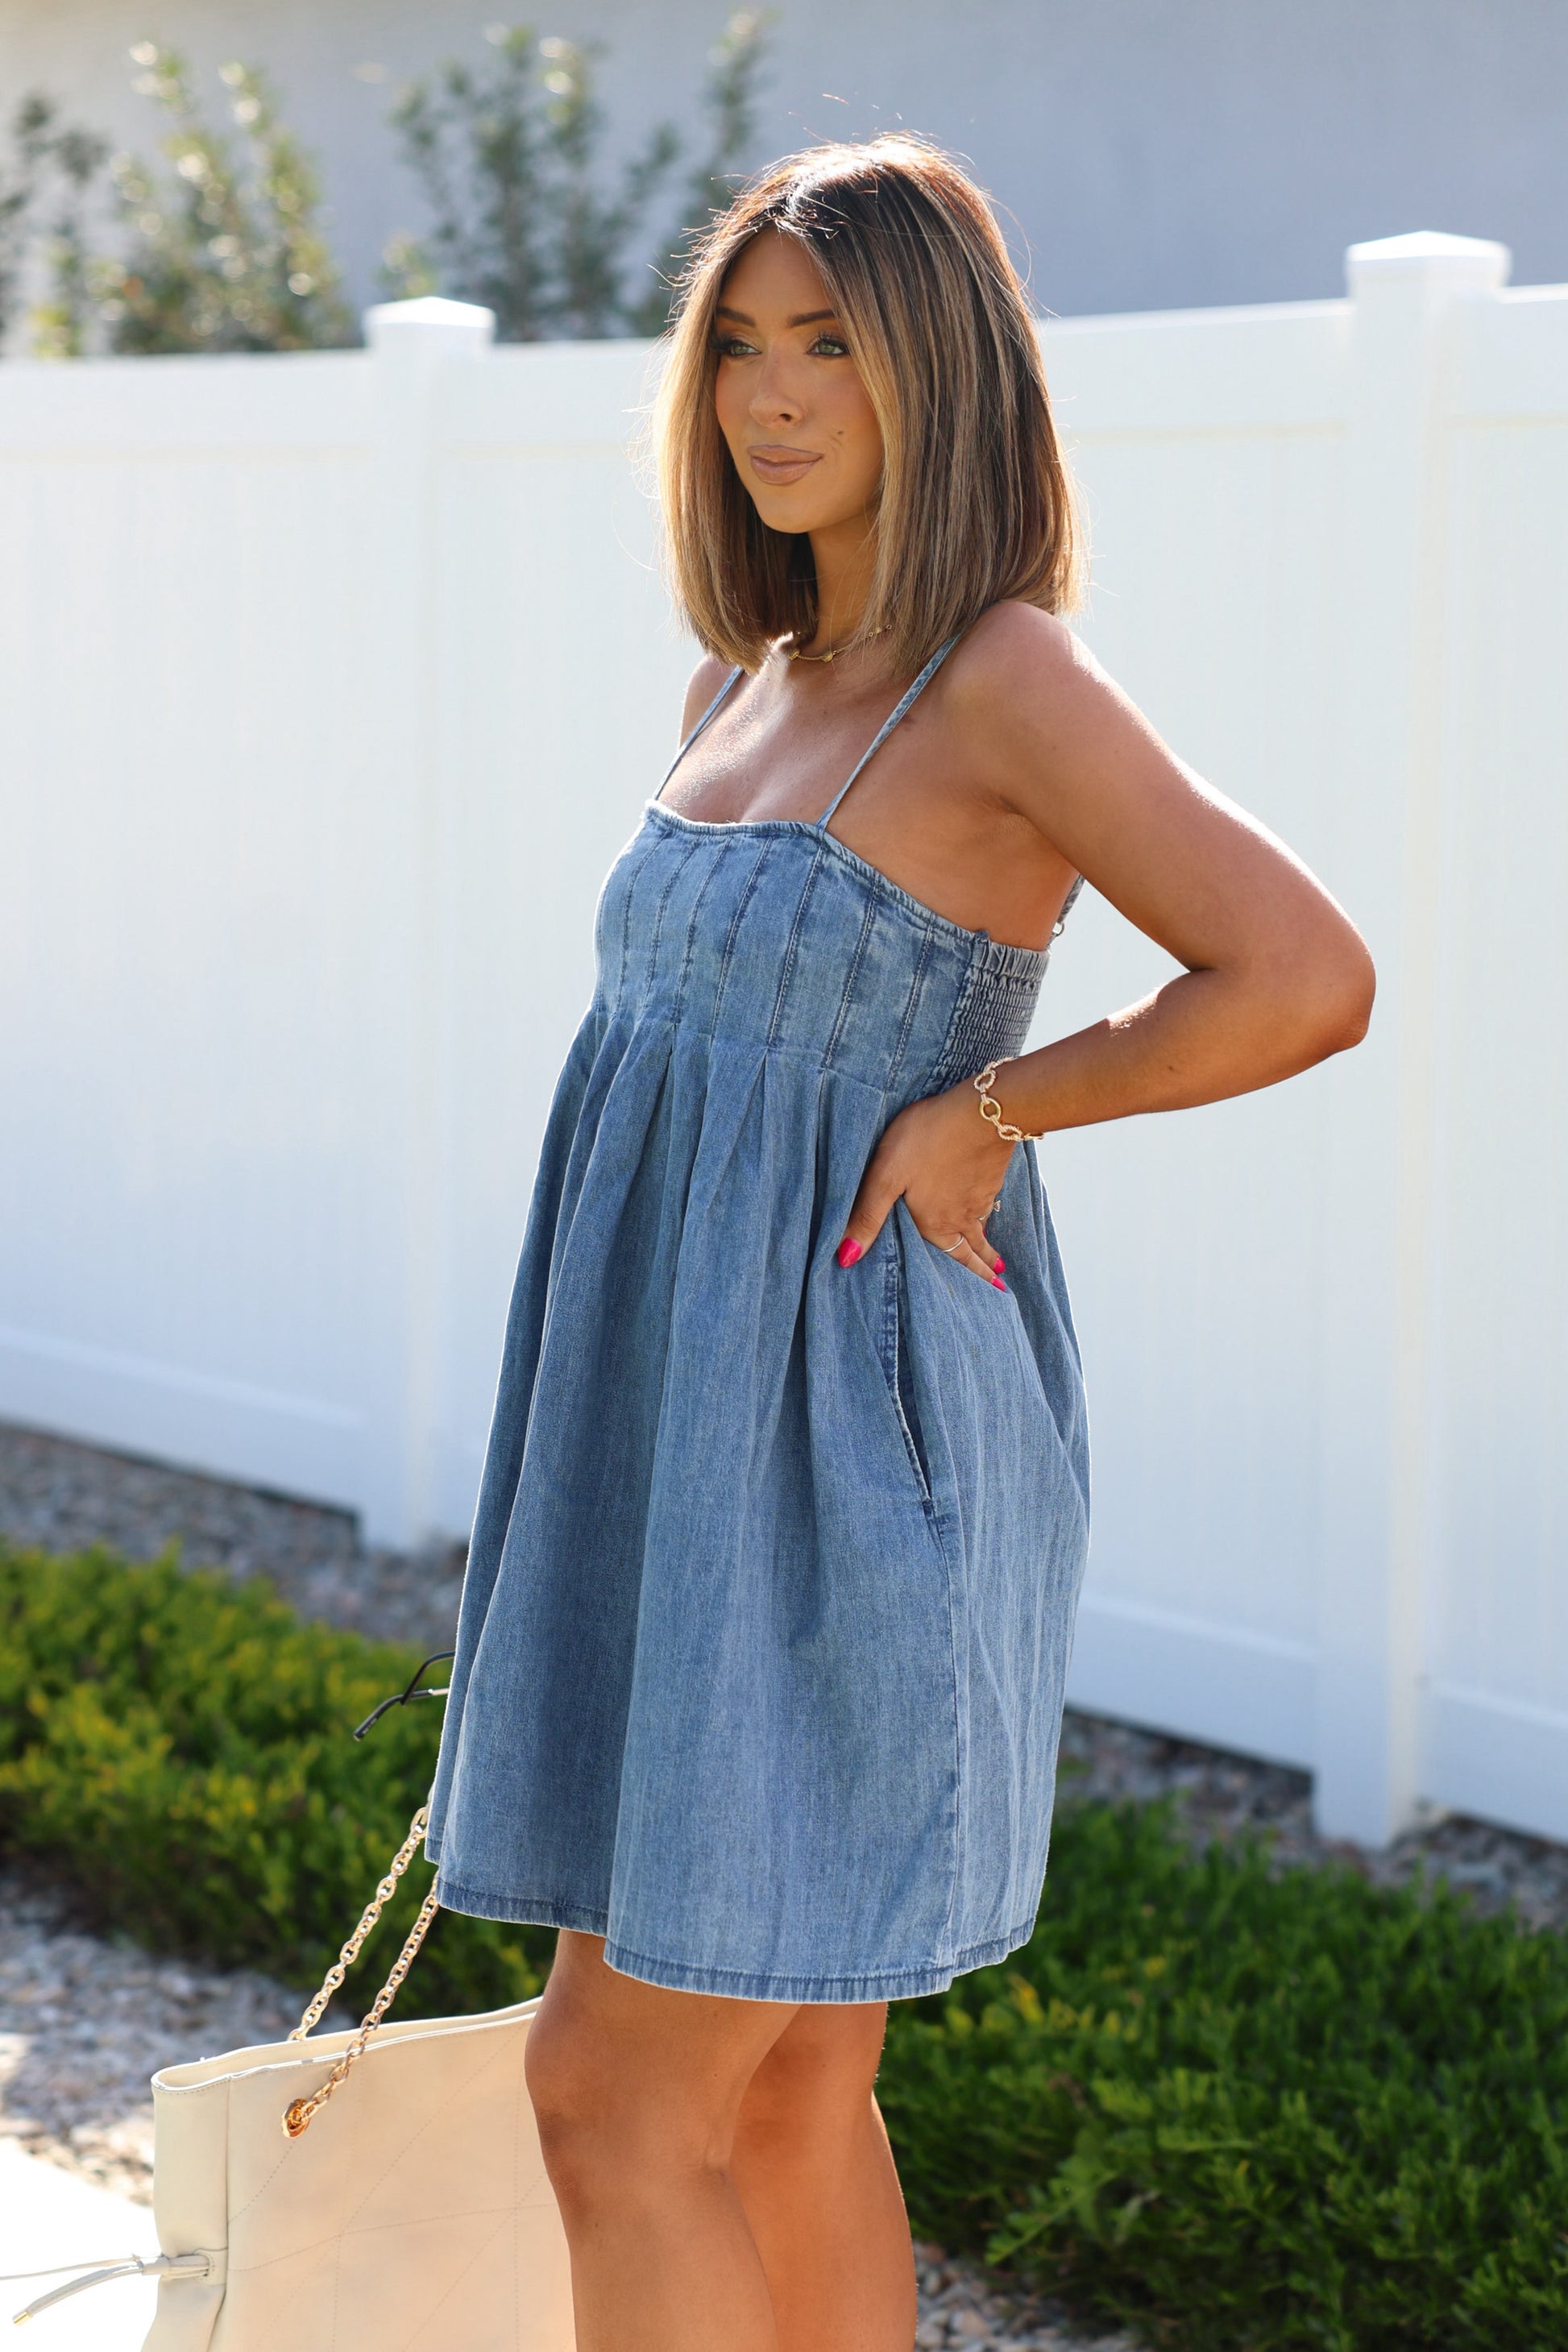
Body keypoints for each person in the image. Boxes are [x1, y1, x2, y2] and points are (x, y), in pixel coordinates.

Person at [424, 136, 1374, 2352]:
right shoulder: (740, 686)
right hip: (666, 1440)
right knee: (780, 2094)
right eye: (739, 345)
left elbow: (1301, 975)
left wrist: (995, 1109)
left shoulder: (1000, 681)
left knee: (606, 2098)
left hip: (847, 1458)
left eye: (828, 344)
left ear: (936, 367)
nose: (769, 395)